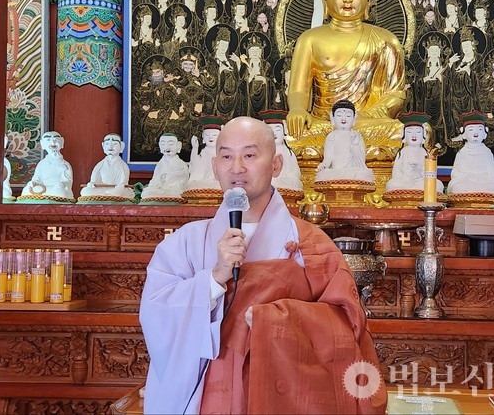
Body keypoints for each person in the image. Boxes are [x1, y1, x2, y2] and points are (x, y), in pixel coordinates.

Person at [139, 116, 386, 414]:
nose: (237, 168)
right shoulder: (185, 243)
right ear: (214, 167)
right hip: (208, 401)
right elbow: (156, 315)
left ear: (276, 165)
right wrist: (214, 279)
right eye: (226, 157)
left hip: (281, 401)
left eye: (250, 155)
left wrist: (278, 322)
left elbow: (347, 330)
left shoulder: (310, 245)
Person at [286, 0, 406, 162]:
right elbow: (298, 90)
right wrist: (297, 109)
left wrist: (359, 118)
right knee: (286, 135)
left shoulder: (386, 40)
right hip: (323, 124)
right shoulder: (309, 39)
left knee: (403, 132)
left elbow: (396, 95)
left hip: (366, 124)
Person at [447, 111, 494, 196]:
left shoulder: (486, 152)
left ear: (485, 133)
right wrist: (467, 176)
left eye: (480, 129)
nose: (476, 133)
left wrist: (490, 178)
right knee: (456, 187)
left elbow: (492, 171)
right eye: (471, 129)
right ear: (464, 134)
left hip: (485, 182)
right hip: (467, 182)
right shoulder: (462, 152)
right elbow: (456, 173)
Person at [316, 100, 374, 182]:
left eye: (348, 116)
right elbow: (328, 156)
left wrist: (355, 146)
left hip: (353, 169)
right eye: (339, 115)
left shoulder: (356, 136)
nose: (343, 119)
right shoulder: (331, 136)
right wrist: (324, 165)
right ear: (332, 118)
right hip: (335, 170)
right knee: (323, 174)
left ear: (354, 118)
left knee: (362, 174)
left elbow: (361, 157)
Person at [385, 112, 444, 192]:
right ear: (404, 135)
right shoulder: (403, 152)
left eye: (418, 132)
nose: (414, 135)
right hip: (404, 182)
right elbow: (396, 171)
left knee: (438, 184)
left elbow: (429, 172)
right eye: (409, 132)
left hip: (420, 182)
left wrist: (418, 171)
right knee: (392, 184)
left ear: (423, 135)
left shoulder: (424, 152)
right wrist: (406, 176)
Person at [20, 131, 74, 201]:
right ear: (42, 144)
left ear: (62, 142)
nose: (53, 142)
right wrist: (34, 183)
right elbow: (37, 178)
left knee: (61, 192)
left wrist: (61, 184)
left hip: (56, 189)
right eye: (48, 140)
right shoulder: (42, 163)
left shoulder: (65, 165)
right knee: (27, 190)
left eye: (56, 140)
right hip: (43, 188)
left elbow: (68, 182)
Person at [79, 133, 134, 201]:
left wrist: (121, 185)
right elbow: (94, 180)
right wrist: (92, 183)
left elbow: (124, 181)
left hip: (117, 190)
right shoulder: (100, 164)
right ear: (103, 146)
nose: (110, 147)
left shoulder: (123, 165)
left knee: (122, 191)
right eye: (107, 144)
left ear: (121, 146)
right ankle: (108, 195)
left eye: (114, 144)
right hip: (102, 189)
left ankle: (109, 195)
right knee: (85, 191)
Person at [259, 109, 303, 191]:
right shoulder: (262, 152)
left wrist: (290, 176)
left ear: (284, 131)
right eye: (270, 130)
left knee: (295, 182)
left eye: (278, 129)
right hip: (269, 180)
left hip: (285, 181)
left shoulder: (288, 152)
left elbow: (296, 172)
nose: (274, 133)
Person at [141, 133, 189, 200]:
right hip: (161, 190)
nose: (167, 147)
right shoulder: (160, 163)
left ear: (178, 146)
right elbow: (155, 180)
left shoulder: (181, 164)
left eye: (171, 144)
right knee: (146, 192)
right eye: (163, 144)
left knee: (177, 194)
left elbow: (183, 182)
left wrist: (171, 182)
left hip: (174, 190)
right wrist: (157, 183)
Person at [185, 118, 223, 190]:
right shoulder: (204, 151)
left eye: (214, 135)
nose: (210, 137)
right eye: (207, 135)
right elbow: (195, 166)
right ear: (203, 136)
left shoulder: (221, 152)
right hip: (202, 179)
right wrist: (195, 149)